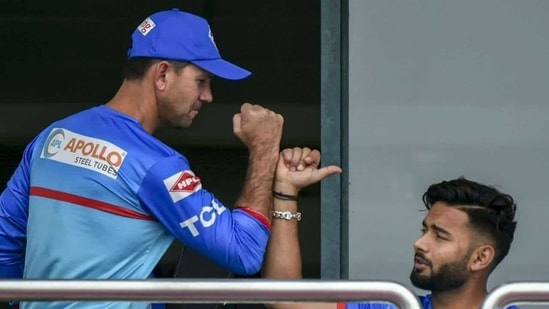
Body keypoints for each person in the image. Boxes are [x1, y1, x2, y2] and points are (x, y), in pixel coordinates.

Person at [0, 8, 284, 309]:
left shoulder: (52, 137)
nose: (208, 96)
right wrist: (264, 148)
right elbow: (244, 251)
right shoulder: (157, 165)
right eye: (201, 80)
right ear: (162, 75)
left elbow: (4, 241)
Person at [263, 148, 518, 309]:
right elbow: (285, 300)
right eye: (424, 231)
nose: (420, 244)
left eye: (440, 236)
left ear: (480, 257)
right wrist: (286, 191)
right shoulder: (393, 305)